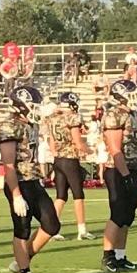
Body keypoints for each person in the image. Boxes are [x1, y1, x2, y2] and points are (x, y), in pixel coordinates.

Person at [0, 85, 60, 273]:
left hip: (32, 180)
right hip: (19, 183)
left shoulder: (30, 125)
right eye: (33, 104)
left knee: (51, 224)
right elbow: (9, 165)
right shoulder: (8, 126)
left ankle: (21, 261)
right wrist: (16, 195)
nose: (36, 108)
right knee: (22, 229)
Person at [100, 79, 137, 273]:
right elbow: (115, 148)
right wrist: (125, 175)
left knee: (128, 215)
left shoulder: (131, 114)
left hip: (131, 168)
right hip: (117, 169)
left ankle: (120, 255)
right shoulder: (113, 115)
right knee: (117, 214)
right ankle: (107, 255)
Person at [48, 91, 93, 240]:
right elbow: (78, 142)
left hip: (58, 159)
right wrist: (90, 150)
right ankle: (82, 230)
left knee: (61, 196)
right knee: (78, 195)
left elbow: (52, 142)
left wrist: (56, 155)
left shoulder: (53, 118)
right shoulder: (72, 117)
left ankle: (51, 229)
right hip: (70, 159)